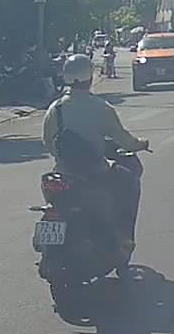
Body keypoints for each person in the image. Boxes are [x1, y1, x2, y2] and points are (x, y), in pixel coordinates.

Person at [41, 54, 149, 256]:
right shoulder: (101, 107)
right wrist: (141, 144)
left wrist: (62, 158)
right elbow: (124, 140)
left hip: (63, 174)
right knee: (129, 182)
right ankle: (124, 239)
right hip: (95, 172)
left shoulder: (56, 109)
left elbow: (47, 141)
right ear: (90, 77)